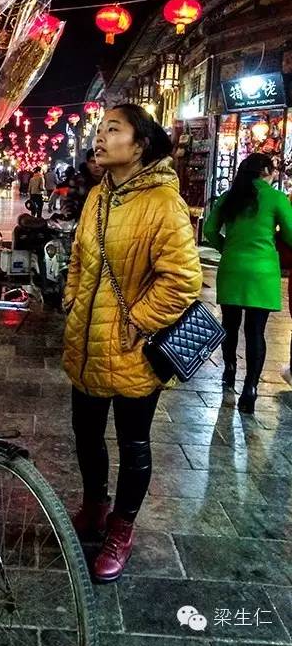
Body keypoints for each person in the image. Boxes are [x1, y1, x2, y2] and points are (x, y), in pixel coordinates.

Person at [63, 104, 201, 583]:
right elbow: (81, 258)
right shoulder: (99, 196)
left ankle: (121, 529)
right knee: (84, 431)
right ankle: (95, 506)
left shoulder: (163, 203)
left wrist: (137, 321)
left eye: (112, 130)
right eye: (99, 131)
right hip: (86, 340)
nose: (99, 139)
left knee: (133, 442)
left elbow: (183, 280)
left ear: (140, 145)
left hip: (133, 348)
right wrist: (72, 299)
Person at [204, 153, 292, 413]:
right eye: (274, 169)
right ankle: (250, 389)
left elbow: (209, 229)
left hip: (232, 268)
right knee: (255, 332)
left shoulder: (229, 197)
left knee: (230, 325)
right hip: (262, 271)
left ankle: (229, 370)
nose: (275, 173)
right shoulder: (275, 198)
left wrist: (227, 248)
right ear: (265, 170)